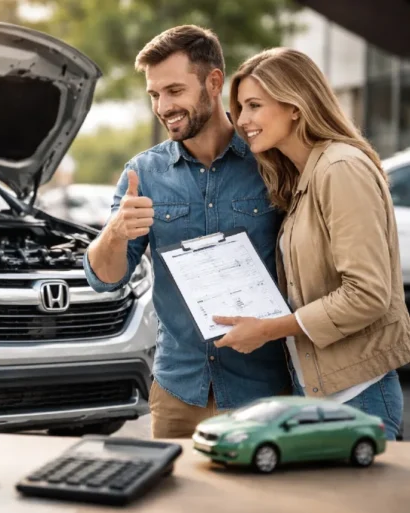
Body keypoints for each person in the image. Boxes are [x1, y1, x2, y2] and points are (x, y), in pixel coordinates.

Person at [83, 25, 291, 439]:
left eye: (174, 91)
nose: (163, 106)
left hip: (264, 393)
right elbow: (105, 280)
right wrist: (115, 233)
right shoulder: (142, 173)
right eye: (154, 95)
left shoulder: (271, 162)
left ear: (213, 83)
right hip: (179, 392)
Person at [215, 47, 410, 440]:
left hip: (358, 398)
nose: (243, 120)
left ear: (295, 106)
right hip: (323, 393)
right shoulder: (306, 174)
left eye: (254, 105)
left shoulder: (340, 168)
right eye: (240, 107)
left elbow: (367, 294)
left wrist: (268, 329)